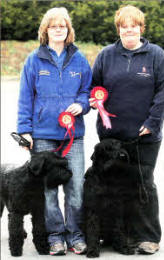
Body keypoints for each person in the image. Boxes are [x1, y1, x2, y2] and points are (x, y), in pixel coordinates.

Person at [17, 7, 92, 255]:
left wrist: (81, 105)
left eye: (63, 25)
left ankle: (76, 234)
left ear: (68, 30)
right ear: (45, 30)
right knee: (48, 190)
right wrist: (25, 130)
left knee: (76, 187)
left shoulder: (79, 59)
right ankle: (55, 236)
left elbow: (86, 91)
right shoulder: (34, 60)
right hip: (43, 136)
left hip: (73, 136)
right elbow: (25, 97)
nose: (58, 29)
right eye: (53, 26)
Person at [90, 5, 164, 254]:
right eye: (124, 27)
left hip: (145, 135)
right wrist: (92, 100)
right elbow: (94, 87)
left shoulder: (156, 54)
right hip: (111, 136)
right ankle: (113, 234)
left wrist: (152, 123)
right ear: (119, 29)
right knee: (110, 187)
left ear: (141, 28)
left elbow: (163, 92)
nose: (129, 30)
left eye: (134, 26)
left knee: (143, 185)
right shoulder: (106, 55)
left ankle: (147, 237)